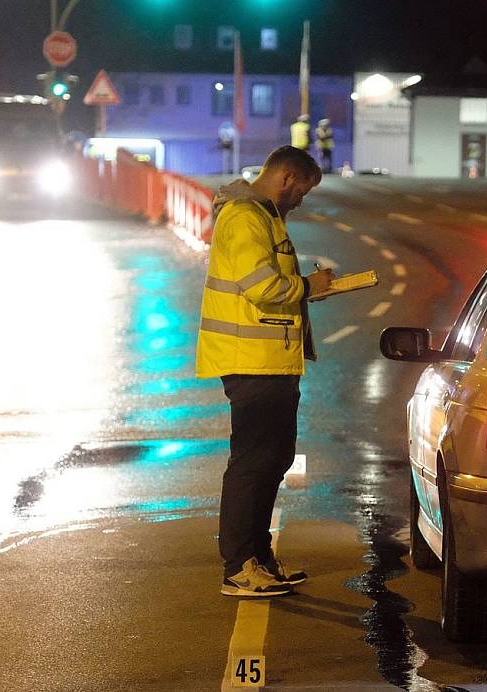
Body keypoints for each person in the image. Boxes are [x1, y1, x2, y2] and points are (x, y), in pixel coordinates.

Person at [197, 145, 336, 597]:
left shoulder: (266, 216)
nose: (301, 200)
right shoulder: (245, 217)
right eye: (302, 191)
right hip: (251, 361)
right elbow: (261, 287)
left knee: (273, 459)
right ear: (287, 178)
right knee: (253, 463)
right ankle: (239, 567)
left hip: (271, 361)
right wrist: (308, 286)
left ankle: (260, 559)